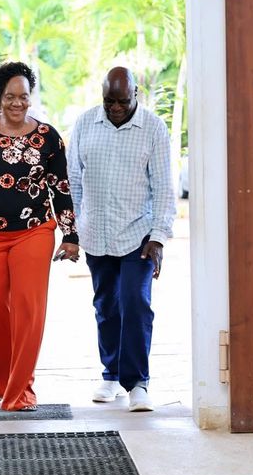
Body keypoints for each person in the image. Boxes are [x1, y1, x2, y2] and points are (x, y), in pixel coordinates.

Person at [0, 61, 79, 412]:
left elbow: (60, 187)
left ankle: (21, 390)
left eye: (24, 97)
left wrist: (70, 234)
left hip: (34, 231)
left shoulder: (48, 137)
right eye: (10, 96)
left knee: (28, 309)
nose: (17, 103)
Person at [67, 66, 176, 412]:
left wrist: (158, 237)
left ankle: (137, 382)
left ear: (136, 95)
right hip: (96, 233)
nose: (114, 107)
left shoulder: (153, 129)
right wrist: (73, 228)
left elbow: (163, 188)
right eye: (108, 101)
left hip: (138, 234)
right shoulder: (86, 123)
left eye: (122, 101)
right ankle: (111, 374)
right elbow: (73, 181)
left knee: (135, 303)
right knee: (106, 306)